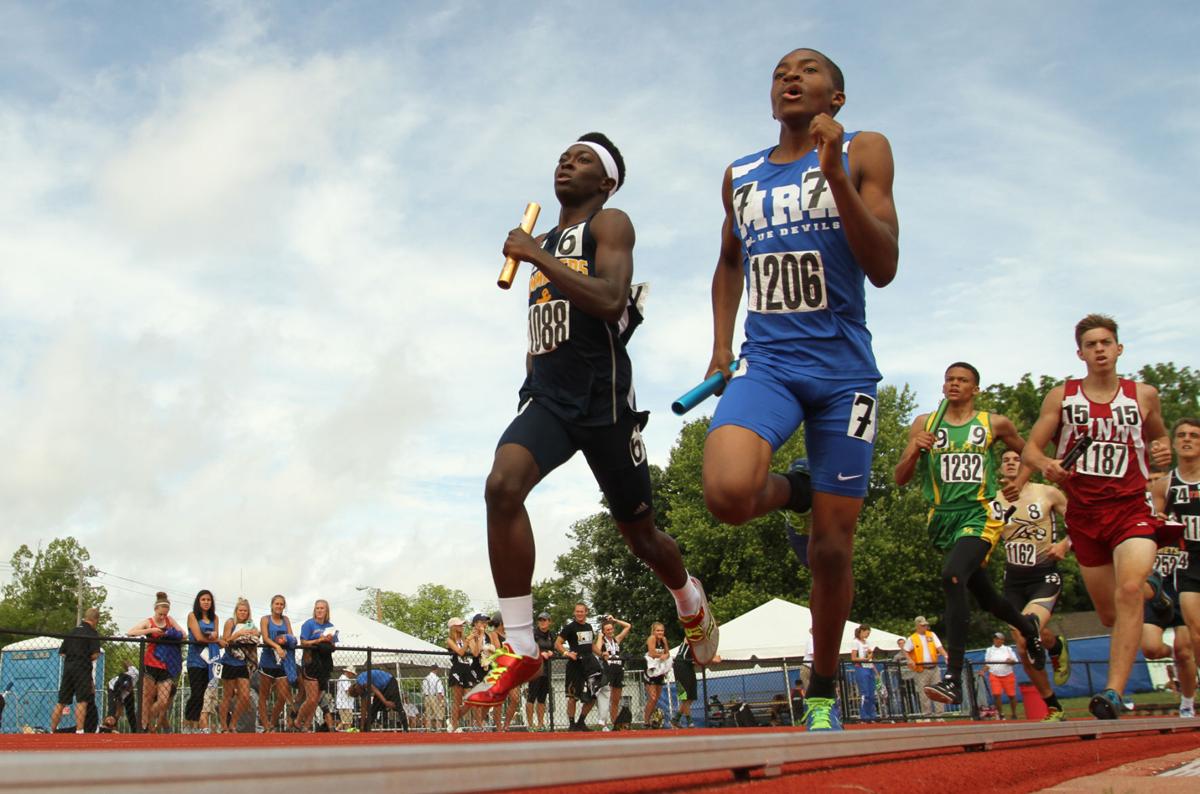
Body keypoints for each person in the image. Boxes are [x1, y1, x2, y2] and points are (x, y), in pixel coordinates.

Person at [473, 132, 718, 709]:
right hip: (550, 401)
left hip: (605, 404)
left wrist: (536, 254)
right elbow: (548, 318)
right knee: (501, 486)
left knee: (641, 538)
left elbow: (610, 299)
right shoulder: (545, 239)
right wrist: (533, 368)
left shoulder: (609, 225)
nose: (567, 161)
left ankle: (687, 596)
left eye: (583, 159)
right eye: (563, 154)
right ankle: (521, 645)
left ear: (605, 182)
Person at [701, 48, 899, 734]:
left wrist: (834, 173)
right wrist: (723, 344)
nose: (791, 75)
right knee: (727, 495)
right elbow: (729, 261)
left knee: (832, 550)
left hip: (846, 373)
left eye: (809, 69)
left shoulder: (865, 149)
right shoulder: (741, 174)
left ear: (835, 98)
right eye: (781, 69)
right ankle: (798, 488)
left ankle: (822, 686)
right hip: (771, 363)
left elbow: (885, 266)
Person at [1022, 314, 1172, 719]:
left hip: (1130, 510)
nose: (1100, 349)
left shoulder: (1143, 395)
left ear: (1119, 349)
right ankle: (1150, 591)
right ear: (1081, 353)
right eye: (1092, 344)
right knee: (1110, 613)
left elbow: (1159, 436)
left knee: (1126, 591)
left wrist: (1162, 451)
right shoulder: (1063, 397)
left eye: (1107, 342)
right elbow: (1031, 451)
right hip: (1085, 516)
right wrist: (1048, 464)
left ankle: (1112, 692)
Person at [894, 362, 1048, 707]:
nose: (954, 384)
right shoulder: (924, 424)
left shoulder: (994, 423)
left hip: (981, 514)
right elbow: (900, 477)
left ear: (975, 389)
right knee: (988, 598)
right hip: (943, 519)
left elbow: (1031, 454)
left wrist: (1018, 483)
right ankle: (1028, 628)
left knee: (952, 576)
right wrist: (915, 450)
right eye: (949, 379)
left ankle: (952, 678)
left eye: (962, 380)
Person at [995, 449, 1071, 721]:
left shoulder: (1047, 492)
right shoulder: (995, 501)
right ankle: (1053, 704)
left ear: (1026, 464)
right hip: (1013, 582)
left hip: (1044, 576)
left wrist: (1065, 543)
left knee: (1030, 626)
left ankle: (1053, 648)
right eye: (1006, 460)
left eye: (1017, 459)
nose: (1012, 463)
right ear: (1001, 469)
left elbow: (1081, 520)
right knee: (1023, 645)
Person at [1151, 420, 1200, 719]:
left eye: (1194, 436)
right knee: (1195, 633)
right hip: (1189, 562)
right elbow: (1157, 520)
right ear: (1173, 443)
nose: (1187, 440)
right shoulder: (1165, 484)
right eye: (1181, 435)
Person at [128, 592, 185, 733]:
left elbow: (184, 634)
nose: (162, 617)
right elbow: (131, 632)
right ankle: (143, 726)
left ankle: (145, 719)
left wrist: (170, 632)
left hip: (166, 664)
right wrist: (151, 630)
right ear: (155, 610)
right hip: (151, 662)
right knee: (146, 697)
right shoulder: (149, 621)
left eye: (165, 614)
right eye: (160, 614)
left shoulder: (170, 620)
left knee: (164, 700)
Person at [49, 607, 101, 733]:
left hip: (68, 668)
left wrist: (73, 655)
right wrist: (84, 656)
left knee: (61, 701)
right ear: (95, 620)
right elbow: (95, 654)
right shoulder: (92, 633)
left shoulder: (72, 631)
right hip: (82, 668)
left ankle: (52, 730)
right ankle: (79, 731)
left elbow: (62, 653)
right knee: (82, 700)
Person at [555, 603, 600, 731]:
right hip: (575, 665)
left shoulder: (589, 626)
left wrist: (602, 654)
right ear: (574, 613)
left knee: (593, 694)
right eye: (577, 611)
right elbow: (557, 643)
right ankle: (572, 724)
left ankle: (581, 721)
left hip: (589, 664)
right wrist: (567, 653)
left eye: (582, 611)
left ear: (586, 612)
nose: (579, 614)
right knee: (572, 696)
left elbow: (592, 646)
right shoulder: (569, 627)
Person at [218, 597, 259, 732]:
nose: (243, 613)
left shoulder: (250, 624)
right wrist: (238, 634)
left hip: (243, 663)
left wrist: (254, 633)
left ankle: (233, 723)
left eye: (245, 611)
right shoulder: (230, 622)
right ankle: (224, 725)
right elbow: (226, 640)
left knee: (245, 696)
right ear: (236, 611)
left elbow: (256, 638)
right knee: (228, 695)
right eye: (240, 610)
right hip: (229, 661)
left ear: (248, 612)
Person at [295, 599, 336, 732]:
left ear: (326, 611)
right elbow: (303, 642)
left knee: (317, 698)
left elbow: (334, 646)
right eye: (317, 608)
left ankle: (306, 726)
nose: (319, 610)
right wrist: (319, 640)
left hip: (325, 664)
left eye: (322, 608)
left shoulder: (330, 626)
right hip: (311, 662)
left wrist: (330, 641)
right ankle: (297, 720)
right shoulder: (309, 624)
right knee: (311, 698)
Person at [257, 594, 296, 732]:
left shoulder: (286, 620)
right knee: (264, 695)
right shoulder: (265, 619)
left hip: (283, 662)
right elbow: (265, 637)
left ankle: (272, 722)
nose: (279, 606)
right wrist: (277, 646)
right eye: (276, 604)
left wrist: (286, 640)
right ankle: (265, 724)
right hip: (268, 660)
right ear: (272, 605)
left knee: (283, 695)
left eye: (281, 604)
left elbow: (291, 636)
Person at [183, 589, 220, 734]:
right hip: (195, 660)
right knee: (196, 692)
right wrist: (216, 639)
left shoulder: (215, 618)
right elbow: (198, 637)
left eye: (209, 600)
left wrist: (216, 638)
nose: (206, 602)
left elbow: (216, 635)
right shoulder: (192, 616)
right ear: (198, 601)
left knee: (203, 693)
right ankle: (187, 723)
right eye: (203, 599)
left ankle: (196, 725)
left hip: (209, 660)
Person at [593, 616, 632, 730]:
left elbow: (628, 626)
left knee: (615, 699)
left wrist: (615, 620)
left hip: (618, 670)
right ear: (604, 631)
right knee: (606, 698)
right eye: (607, 630)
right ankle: (603, 724)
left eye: (611, 629)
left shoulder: (617, 640)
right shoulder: (602, 640)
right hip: (607, 671)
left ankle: (615, 723)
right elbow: (598, 649)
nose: (610, 631)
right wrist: (600, 636)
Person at [904, 617, 946, 719]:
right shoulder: (912, 638)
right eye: (923, 625)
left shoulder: (931, 635)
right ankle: (927, 715)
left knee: (938, 691)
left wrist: (945, 655)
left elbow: (939, 647)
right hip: (921, 669)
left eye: (926, 625)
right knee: (924, 694)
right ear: (917, 626)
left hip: (934, 667)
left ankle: (939, 715)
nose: (925, 627)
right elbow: (905, 650)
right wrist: (909, 660)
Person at [524, 612, 556, 731]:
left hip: (547, 669)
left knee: (542, 698)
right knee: (531, 697)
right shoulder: (532, 634)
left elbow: (554, 648)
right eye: (540, 620)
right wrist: (540, 653)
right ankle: (530, 725)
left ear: (549, 621)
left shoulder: (551, 634)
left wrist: (552, 653)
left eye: (545, 620)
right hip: (535, 669)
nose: (542, 622)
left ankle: (540, 724)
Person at [445, 617, 474, 731]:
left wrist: (475, 639)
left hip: (467, 669)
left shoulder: (465, 639)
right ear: (453, 627)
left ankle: (453, 720)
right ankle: (454, 724)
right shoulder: (449, 640)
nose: (462, 626)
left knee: (471, 700)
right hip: (457, 669)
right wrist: (467, 642)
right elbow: (460, 652)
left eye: (462, 625)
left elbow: (474, 652)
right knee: (457, 700)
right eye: (459, 625)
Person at [983, 633, 1020, 720]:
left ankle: (1014, 714)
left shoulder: (1008, 649)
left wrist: (1010, 661)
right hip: (994, 674)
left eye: (999, 639)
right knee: (996, 694)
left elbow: (1015, 661)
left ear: (1002, 640)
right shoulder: (989, 650)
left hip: (1008, 674)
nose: (996, 640)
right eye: (995, 638)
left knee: (1011, 695)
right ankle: (1001, 714)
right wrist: (982, 671)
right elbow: (987, 663)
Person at [642, 621, 671, 728]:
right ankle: (646, 721)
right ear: (654, 631)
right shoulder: (652, 638)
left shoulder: (663, 640)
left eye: (662, 630)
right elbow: (651, 653)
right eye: (658, 630)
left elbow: (667, 653)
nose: (660, 632)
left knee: (656, 698)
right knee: (652, 697)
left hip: (660, 671)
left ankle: (652, 718)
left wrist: (665, 655)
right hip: (651, 671)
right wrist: (661, 655)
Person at [850, 624, 877, 722]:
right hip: (861, 668)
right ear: (861, 631)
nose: (867, 635)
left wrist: (875, 670)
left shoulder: (867, 642)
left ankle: (872, 715)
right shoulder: (855, 642)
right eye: (866, 633)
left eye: (868, 634)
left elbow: (870, 657)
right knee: (864, 693)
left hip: (869, 667)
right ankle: (864, 716)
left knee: (871, 693)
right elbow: (853, 658)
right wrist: (864, 659)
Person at [672, 641, 699, 728]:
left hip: (689, 667)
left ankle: (676, 719)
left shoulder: (702, 644)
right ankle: (689, 721)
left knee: (691, 696)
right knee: (684, 696)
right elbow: (687, 639)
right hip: (680, 666)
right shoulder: (690, 637)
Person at [421, 666, 446, 731]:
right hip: (435, 697)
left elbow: (423, 690)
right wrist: (441, 701)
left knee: (428, 716)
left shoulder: (425, 678)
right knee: (439, 716)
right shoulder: (437, 678)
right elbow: (439, 691)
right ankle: (438, 730)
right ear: (436, 670)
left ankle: (428, 731)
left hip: (426, 697)